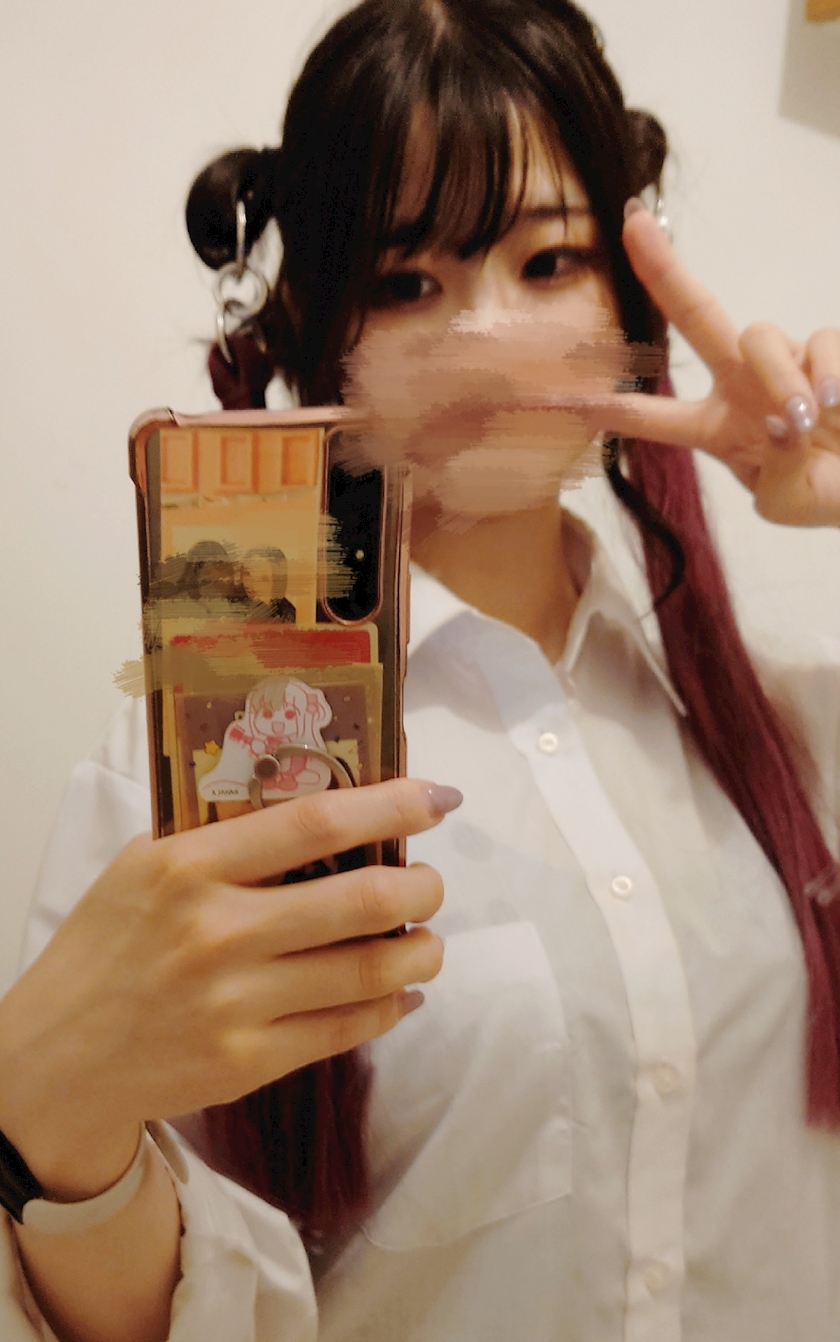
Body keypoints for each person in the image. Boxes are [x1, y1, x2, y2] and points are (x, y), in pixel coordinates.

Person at [2, 1, 840, 1340]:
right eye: (407, 283)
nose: (486, 339)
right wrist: (49, 1125)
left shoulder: (791, 728)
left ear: (627, 302)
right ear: (316, 330)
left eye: (549, 261)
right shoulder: (177, 784)